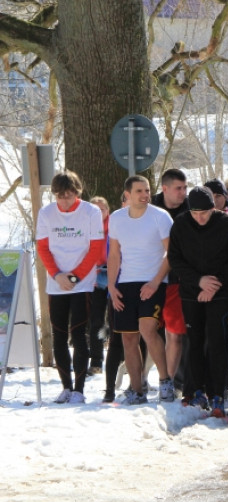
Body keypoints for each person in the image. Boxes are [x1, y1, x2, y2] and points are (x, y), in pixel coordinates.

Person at [167, 186, 228, 416]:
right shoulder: (181, 224)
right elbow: (175, 258)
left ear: (214, 208)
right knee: (194, 341)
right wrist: (199, 281)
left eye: (204, 213)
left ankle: (217, 393)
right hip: (192, 290)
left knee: (217, 342)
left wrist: (214, 285)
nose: (200, 218)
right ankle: (193, 391)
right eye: (195, 213)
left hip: (219, 292)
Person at [35, 171, 105, 403]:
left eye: (69, 195)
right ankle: (66, 387)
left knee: (78, 334)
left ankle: (79, 389)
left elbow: (95, 248)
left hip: (81, 283)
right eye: (60, 196)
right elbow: (43, 248)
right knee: (59, 335)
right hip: (56, 283)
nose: (64, 201)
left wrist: (74, 277)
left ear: (77, 192)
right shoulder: (46, 213)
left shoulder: (90, 212)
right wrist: (57, 275)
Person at [107, 175, 175, 404]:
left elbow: (171, 253)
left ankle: (165, 381)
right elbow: (114, 254)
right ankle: (137, 389)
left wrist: (156, 281)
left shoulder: (160, 216)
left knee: (148, 330)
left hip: (153, 281)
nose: (145, 195)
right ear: (127, 195)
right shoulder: (116, 219)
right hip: (125, 283)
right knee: (128, 338)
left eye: (147, 190)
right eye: (139, 191)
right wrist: (111, 286)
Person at [151, 167, 189, 398]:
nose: (183, 193)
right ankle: (141, 381)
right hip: (147, 278)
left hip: (177, 280)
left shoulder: (189, 210)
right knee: (145, 334)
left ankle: (170, 383)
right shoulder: (150, 207)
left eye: (185, 188)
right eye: (178, 188)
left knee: (175, 334)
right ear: (165, 188)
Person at [86, 195, 111, 375]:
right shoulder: (85, 228)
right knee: (96, 320)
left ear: (108, 211)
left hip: (115, 275)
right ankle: (96, 361)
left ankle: (121, 359)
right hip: (94, 277)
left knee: (118, 320)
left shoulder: (116, 225)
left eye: (101, 209)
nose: (98, 213)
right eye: (94, 210)